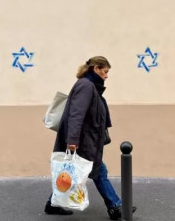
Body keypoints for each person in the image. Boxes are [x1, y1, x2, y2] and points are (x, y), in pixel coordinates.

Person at [44, 56, 136, 220]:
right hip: (82, 141)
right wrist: (72, 140)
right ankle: (115, 206)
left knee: (75, 172)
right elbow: (76, 114)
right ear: (96, 69)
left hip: (86, 140)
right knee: (98, 171)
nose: (107, 76)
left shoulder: (90, 86)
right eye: (105, 72)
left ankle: (53, 203)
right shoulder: (86, 86)